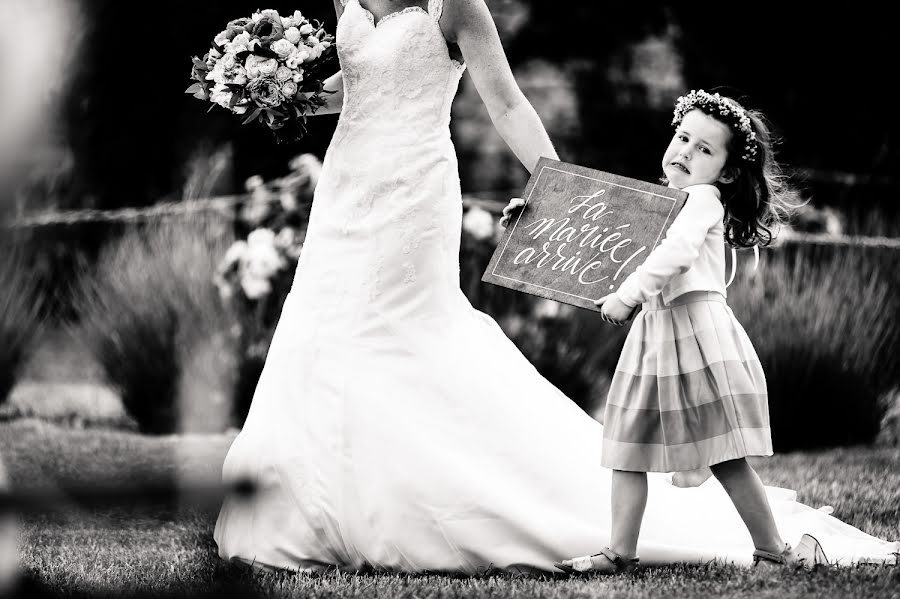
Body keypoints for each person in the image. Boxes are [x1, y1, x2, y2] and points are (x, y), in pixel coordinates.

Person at [214, 1, 900, 574]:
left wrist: (562, 195)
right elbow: (355, 84)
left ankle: (427, 499)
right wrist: (274, 88)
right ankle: (309, 501)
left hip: (413, 189)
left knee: (399, 328)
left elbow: (508, 104)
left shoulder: (455, 4)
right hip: (343, 185)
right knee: (322, 324)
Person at [551, 89, 826, 575]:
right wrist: (531, 225)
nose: (685, 152)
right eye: (682, 138)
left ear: (725, 172)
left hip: (693, 335)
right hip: (656, 338)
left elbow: (676, 254)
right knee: (628, 450)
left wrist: (628, 295)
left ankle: (773, 551)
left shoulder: (702, 199)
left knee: (723, 453)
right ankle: (618, 553)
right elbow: (597, 239)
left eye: (704, 149)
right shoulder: (660, 202)